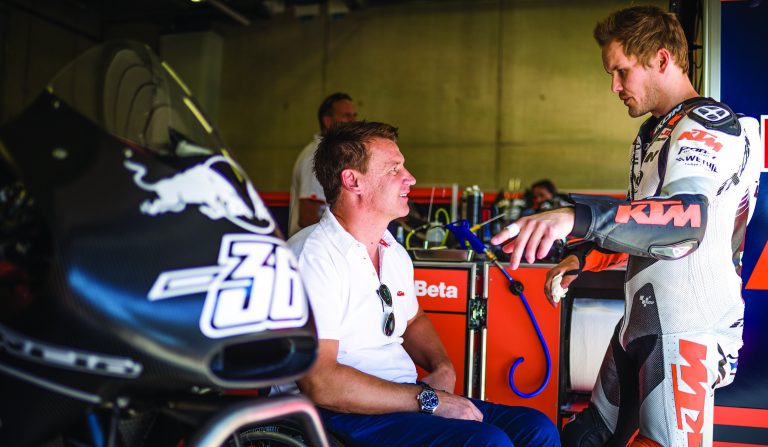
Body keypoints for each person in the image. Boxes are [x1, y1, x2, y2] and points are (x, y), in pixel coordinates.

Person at [491, 6, 761, 447]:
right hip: (642, 323)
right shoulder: (655, 131)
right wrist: (583, 257)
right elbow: (645, 231)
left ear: (661, 59)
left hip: (687, 333)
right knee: (584, 437)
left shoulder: (706, 124)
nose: (614, 86)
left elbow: (685, 224)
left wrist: (577, 216)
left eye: (622, 71)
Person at [288, 121, 560, 447]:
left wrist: (442, 366)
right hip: (336, 410)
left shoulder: (392, 251)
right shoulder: (313, 256)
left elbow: (413, 319)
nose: (410, 178)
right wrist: (428, 400)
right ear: (352, 181)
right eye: (394, 169)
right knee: (487, 442)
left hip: (400, 397)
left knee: (536, 429)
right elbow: (321, 382)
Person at [288, 92, 358, 236]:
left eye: (354, 115)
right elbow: (308, 217)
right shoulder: (315, 156)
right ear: (327, 121)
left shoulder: (333, 154)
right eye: (346, 116)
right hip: (312, 245)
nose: (353, 121)